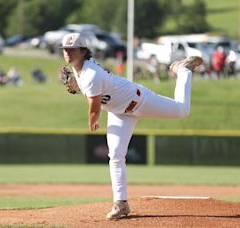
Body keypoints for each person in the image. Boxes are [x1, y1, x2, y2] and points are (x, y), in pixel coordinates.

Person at [59, 33, 203, 219]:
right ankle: (121, 204)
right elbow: (89, 86)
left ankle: (183, 70)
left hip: (139, 100)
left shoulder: (90, 74)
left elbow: (94, 108)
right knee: (116, 155)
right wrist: (77, 86)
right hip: (119, 112)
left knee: (182, 110)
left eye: (73, 49)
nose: (68, 53)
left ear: (83, 51)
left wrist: (92, 122)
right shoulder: (81, 71)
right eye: (65, 50)